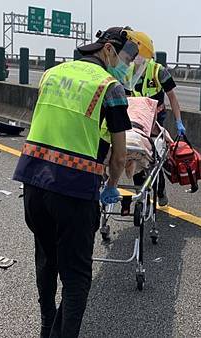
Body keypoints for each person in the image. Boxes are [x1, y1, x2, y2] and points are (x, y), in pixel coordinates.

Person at [13, 27, 154, 337]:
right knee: (77, 277)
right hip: (74, 190)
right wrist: (111, 186)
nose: (126, 66)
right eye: (126, 58)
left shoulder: (51, 74)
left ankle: (46, 326)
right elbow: (119, 157)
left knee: (47, 261)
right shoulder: (110, 87)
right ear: (107, 50)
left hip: (33, 183)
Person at [128, 39, 186, 207]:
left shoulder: (158, 71)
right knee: (134, 153)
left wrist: (179, 122)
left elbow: (172, 98)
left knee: (156, 156)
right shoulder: (128, 72)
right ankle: (139, 191)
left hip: (155, 121)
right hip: (135, 120)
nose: (134, 58)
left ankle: (160, 189)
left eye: (137, 54)